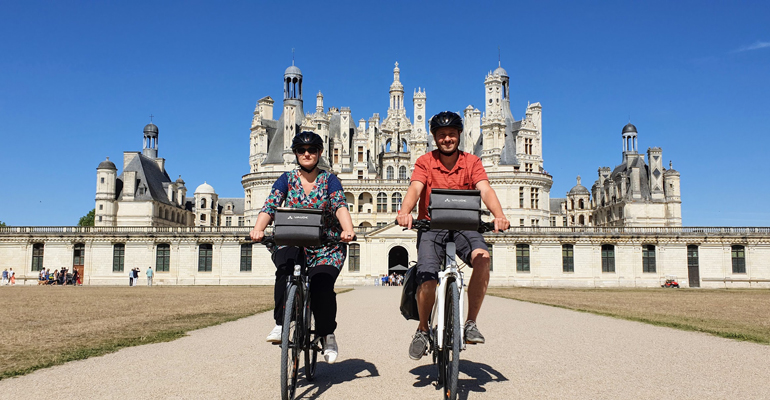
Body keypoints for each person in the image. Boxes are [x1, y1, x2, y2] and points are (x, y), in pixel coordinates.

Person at [396, 111, 510, 361]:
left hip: (465, 227)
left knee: (483, 258)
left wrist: (499, 215)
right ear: (435, 138)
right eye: (441, 135)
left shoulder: (472, 162)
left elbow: (484, 189)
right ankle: (423, 330)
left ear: (458, 135)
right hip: (432, 227)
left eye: (451, 134)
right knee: (427, 278)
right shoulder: (425, 162)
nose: (447, 139)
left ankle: (470, 323)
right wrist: (405, 212)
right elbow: (415, 187)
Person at [250, 131, 355, 364]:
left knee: (322, 285)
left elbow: (339, 205)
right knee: (284, 271)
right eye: (301, 150)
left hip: (325, 244)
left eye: (312, 150)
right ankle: (281, 323)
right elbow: (270, 205)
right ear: (296, 154)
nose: (306, 154)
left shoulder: (330, 180)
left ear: (319, 153)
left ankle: (327, 334)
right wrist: (258, 229)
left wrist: (347, 229)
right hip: (292, 239)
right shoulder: (286, 180)